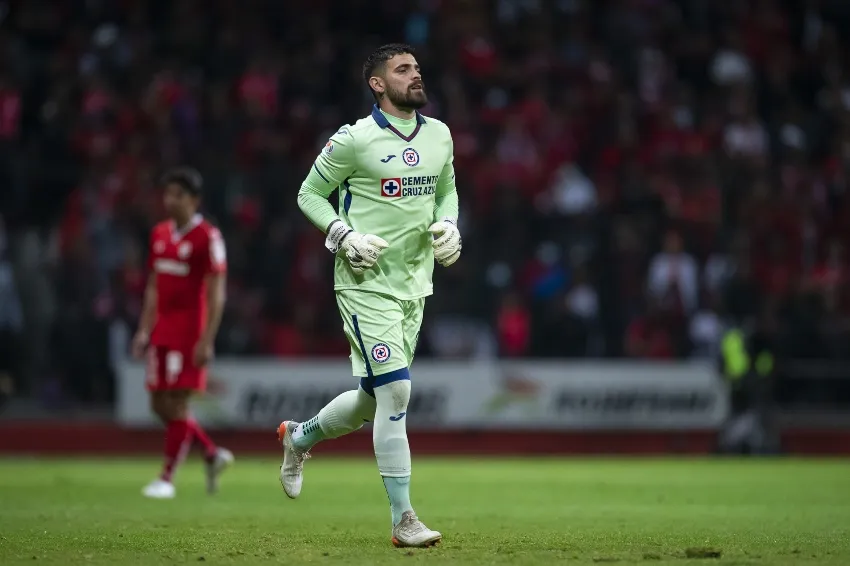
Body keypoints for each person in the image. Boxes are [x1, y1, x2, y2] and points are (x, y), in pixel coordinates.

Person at [278, 43, 461, 548]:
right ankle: (405, 521)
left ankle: (299, 437)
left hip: (415, 285)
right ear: (378, 84)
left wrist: (449, 222)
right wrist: (342, 235)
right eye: (403, 70)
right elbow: (308, 193)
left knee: (370, 399)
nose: (415, 75)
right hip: (364, 282)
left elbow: (447, 187)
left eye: (417, 68)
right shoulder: (354, 140)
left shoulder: (440, 135)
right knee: (398, 392)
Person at [131, 167, 233, 499]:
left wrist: (207, 339)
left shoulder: (208, 237)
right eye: (167, 194)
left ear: (194, 199)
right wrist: (144, 329)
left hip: (189, 332)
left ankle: (166, 479)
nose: (169, 200)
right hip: (161, 329)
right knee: (158, 404)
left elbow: (217, 292)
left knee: (176, 403)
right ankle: (211, 453)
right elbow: (153, 287)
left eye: (177, 194)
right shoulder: (159, 233)